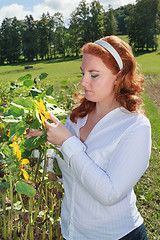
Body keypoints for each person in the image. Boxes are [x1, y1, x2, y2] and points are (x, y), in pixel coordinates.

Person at [26, 35, 151, 240]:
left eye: (94, 75)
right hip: (73, 233)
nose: (83, 81)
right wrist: (42, 142)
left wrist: (67, 142)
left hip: (117, 235)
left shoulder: (135, 126)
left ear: (119, 77)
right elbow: (62, 172)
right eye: (83, 73)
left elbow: (110, 194)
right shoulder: (77, 118)